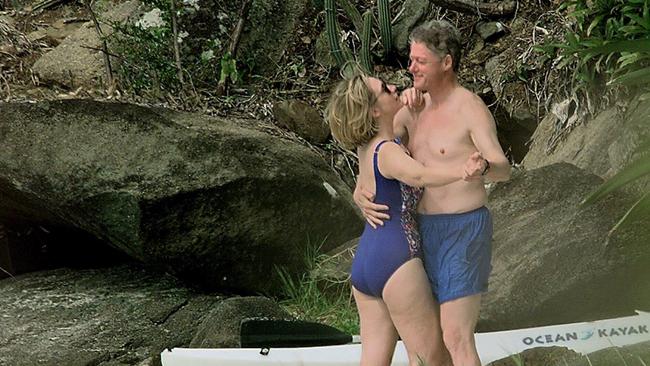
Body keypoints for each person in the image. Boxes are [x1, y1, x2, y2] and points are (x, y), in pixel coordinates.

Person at [355, 20, 512, 366]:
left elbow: (503, 167)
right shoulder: (411, 109)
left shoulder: (470, 108)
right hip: (419, 232)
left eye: (419, 61)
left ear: (446, 63)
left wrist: (483, 168)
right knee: (427, 343)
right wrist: (359, 190)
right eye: (411, 59)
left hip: (462, 230)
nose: (410, 68)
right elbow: (374, 148)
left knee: (455, 334)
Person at [326, 72, 485, 366]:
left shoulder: (367, 148)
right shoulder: (387, 151)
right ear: (374, 110)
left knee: (372, 359)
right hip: (397, 261)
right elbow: (419, 175)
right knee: (429, 358)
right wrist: (463, 171)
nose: (394, 87)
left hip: (365, 264)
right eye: (386, 89)